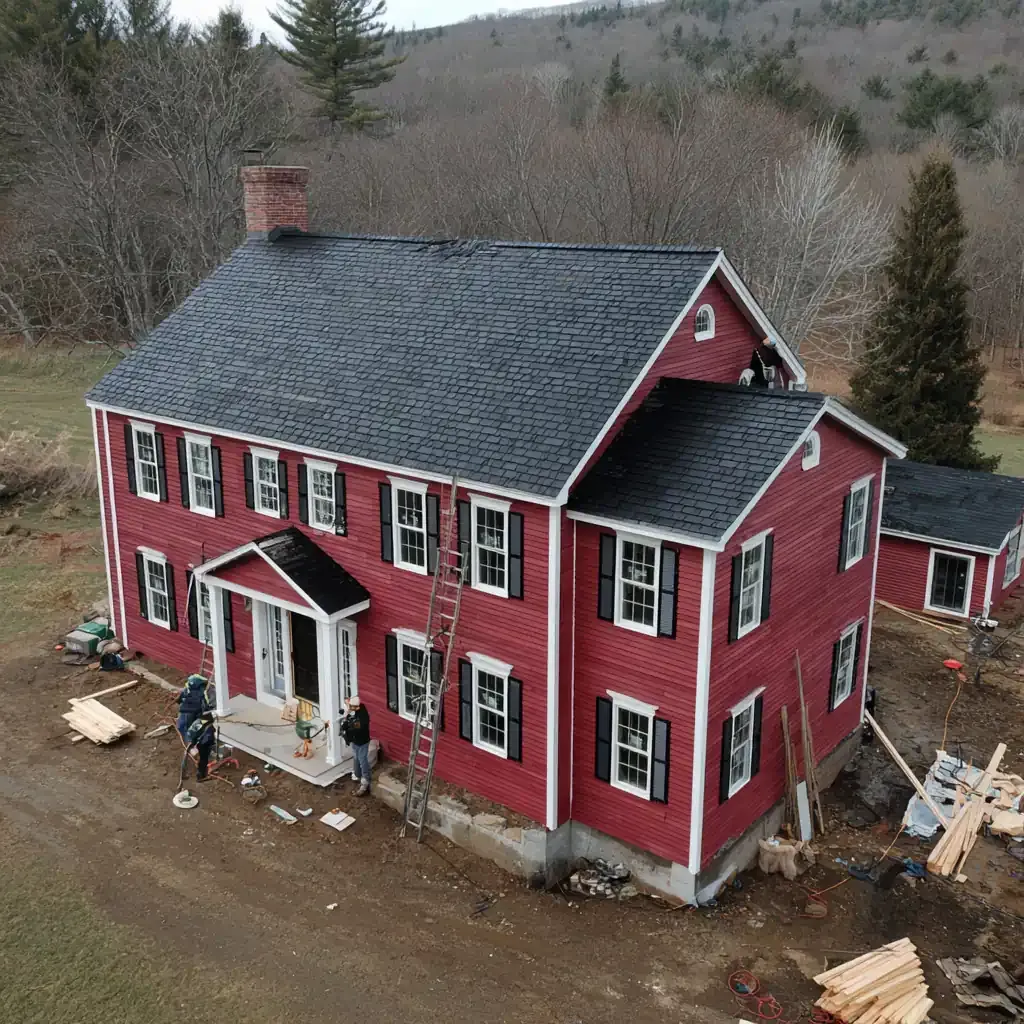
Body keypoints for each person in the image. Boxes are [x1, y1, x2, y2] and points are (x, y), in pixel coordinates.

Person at [341, 696, 371, 796]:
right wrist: (346, 719)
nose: (349, 708)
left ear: (356, 707)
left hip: (362, 742)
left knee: (362, 760)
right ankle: (358, 775)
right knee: (356, 758)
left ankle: (365, 781)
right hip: (355, 741)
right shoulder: (355, 711)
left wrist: (348, 726)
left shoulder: (363, 716)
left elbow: (357, 728)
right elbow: (350, 720)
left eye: (351, 707)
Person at [176, 674, 211, 741]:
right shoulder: (201, 692)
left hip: (187, 711)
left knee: (185, 725)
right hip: (192, 712)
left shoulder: (187, 689)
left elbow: (180, 700)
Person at [185, 710, 217, 782]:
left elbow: (191, 733)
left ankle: (202, 773)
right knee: (203, 759)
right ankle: (201, 776)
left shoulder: (199, 721)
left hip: (200, 742)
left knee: (203, 759)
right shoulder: (204, 723)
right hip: (203, 743)